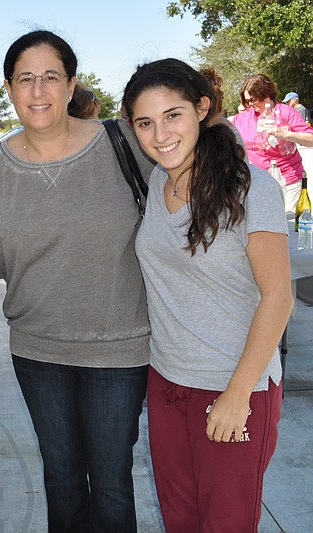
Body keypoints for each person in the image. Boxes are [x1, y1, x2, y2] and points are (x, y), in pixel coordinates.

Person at [0, 30, 154, 531]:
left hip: (118, 351)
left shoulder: (123, 142)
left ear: (71, 85)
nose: (38, 91)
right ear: (8, 87)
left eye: (50, 77)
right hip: (37, 352)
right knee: (62, 478)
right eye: (25, 79)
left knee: (114, 482)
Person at [122, 58, 293, 532]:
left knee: (227, 524)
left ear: (201, 108)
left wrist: (238, 394)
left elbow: (278, 296)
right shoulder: (159, 180)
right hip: (167, 382)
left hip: (235, 384)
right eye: (145, 122)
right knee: (180, 520)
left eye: (172, 114)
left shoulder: (251, 187)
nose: (160, 134)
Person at [232, 74, 313, 213]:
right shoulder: (242, 118)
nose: (250, 104)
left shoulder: (286, 112)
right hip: (256, 184)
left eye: (253, 99)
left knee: (287, 223)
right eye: (247, 101)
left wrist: (285, 134)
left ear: (266, 94)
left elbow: (310, 139)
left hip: (288, 181)